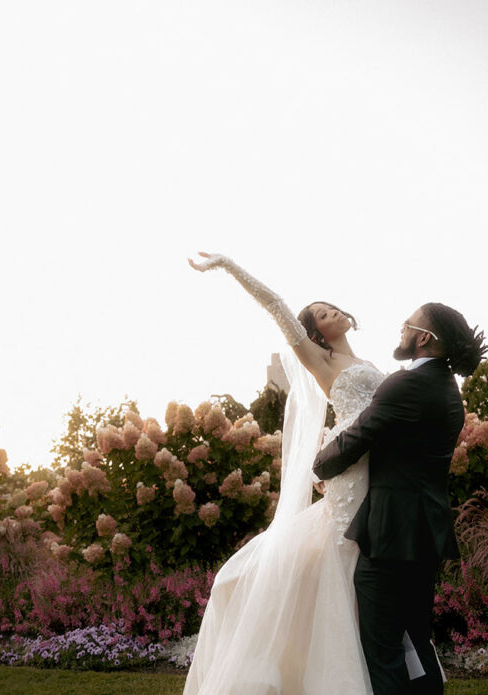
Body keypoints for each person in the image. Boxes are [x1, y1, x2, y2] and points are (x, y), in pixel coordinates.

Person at [184, 251, 382, 694]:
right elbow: (276, 306)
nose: (332, 312)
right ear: (314, 333)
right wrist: (227, 265)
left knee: (360, 565)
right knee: (342, 557)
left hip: (376, 468)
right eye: (321, 315)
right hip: (351, 474)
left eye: (332, 306)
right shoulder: (323, 363)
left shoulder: (367, 364)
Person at [313, 303, 488, 695]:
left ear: (424, 337)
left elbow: (357, 437)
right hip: (425, 533)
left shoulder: (406, 384)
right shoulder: (447, 389)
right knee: (416, 641)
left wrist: (317, 467)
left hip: (391, 533)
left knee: (384, 650)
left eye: (407, 325)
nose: (402, 331)